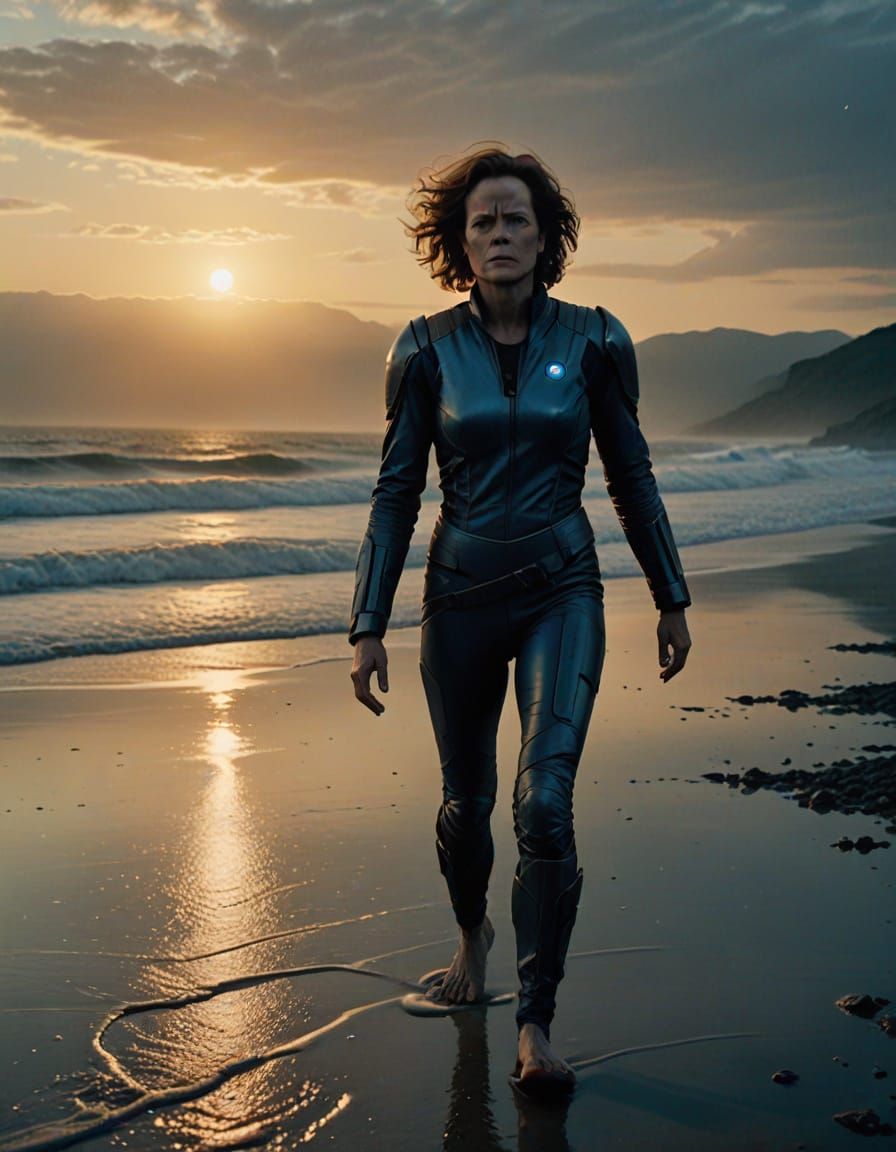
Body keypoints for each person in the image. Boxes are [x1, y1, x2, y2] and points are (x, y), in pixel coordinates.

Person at [348, 146, 692, 1095]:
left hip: (561, 591)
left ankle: (535, 1021)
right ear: (460, 244)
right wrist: (366, 621)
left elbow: (630, 475)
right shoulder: (423, 348)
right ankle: (473, 941)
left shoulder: (593, 341)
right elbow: (394, 493)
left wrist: (671, 595)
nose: (500, 235)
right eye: (482, 222)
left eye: (517, 220)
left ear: (547, 238)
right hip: (457, 599)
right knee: (465, 809)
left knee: (543, 801)